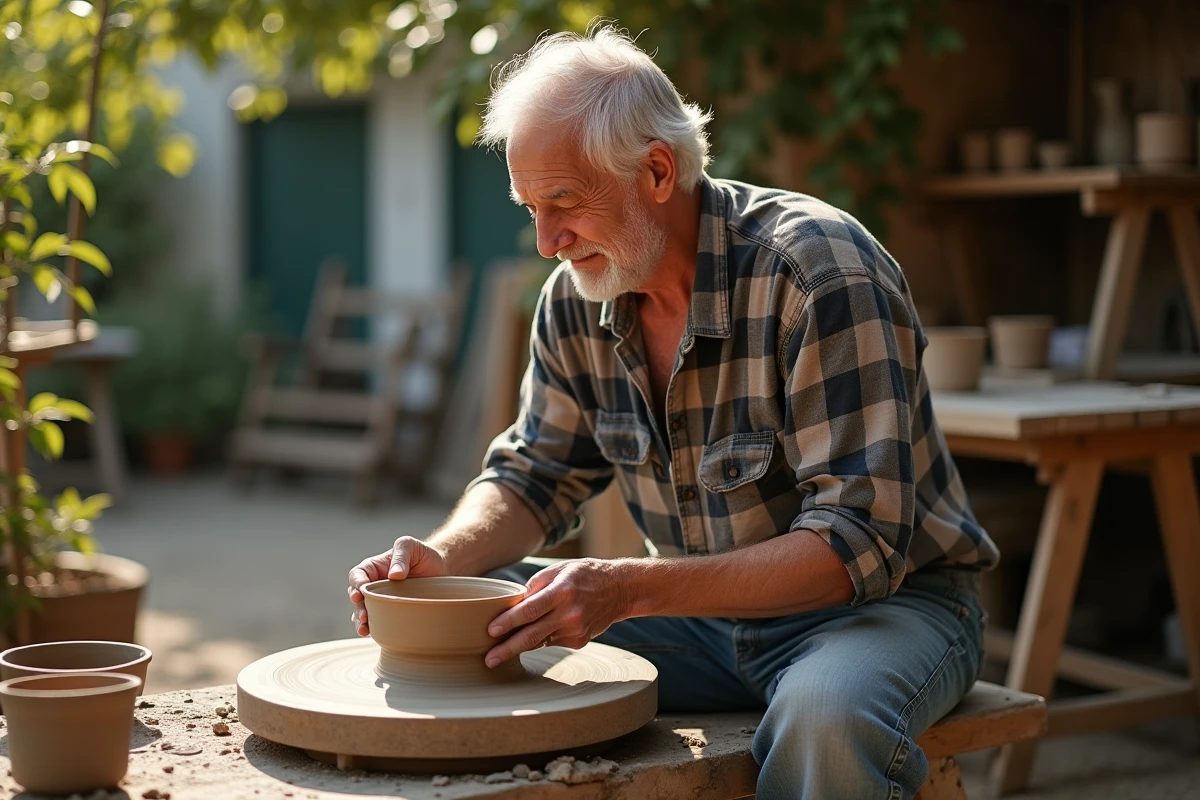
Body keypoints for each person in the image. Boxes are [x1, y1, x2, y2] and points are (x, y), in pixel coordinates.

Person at [348, 24, 999, 799]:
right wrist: (443, 560)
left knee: (824, 718)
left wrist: (629, 589)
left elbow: (854, 547)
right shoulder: (574, 299)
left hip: (887, 610)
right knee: (460, 630)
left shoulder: (820, 273)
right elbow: (533, 474)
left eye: (563, 203)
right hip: (701, 618)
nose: (547, 241)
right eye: (530, 207)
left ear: (657, 170)